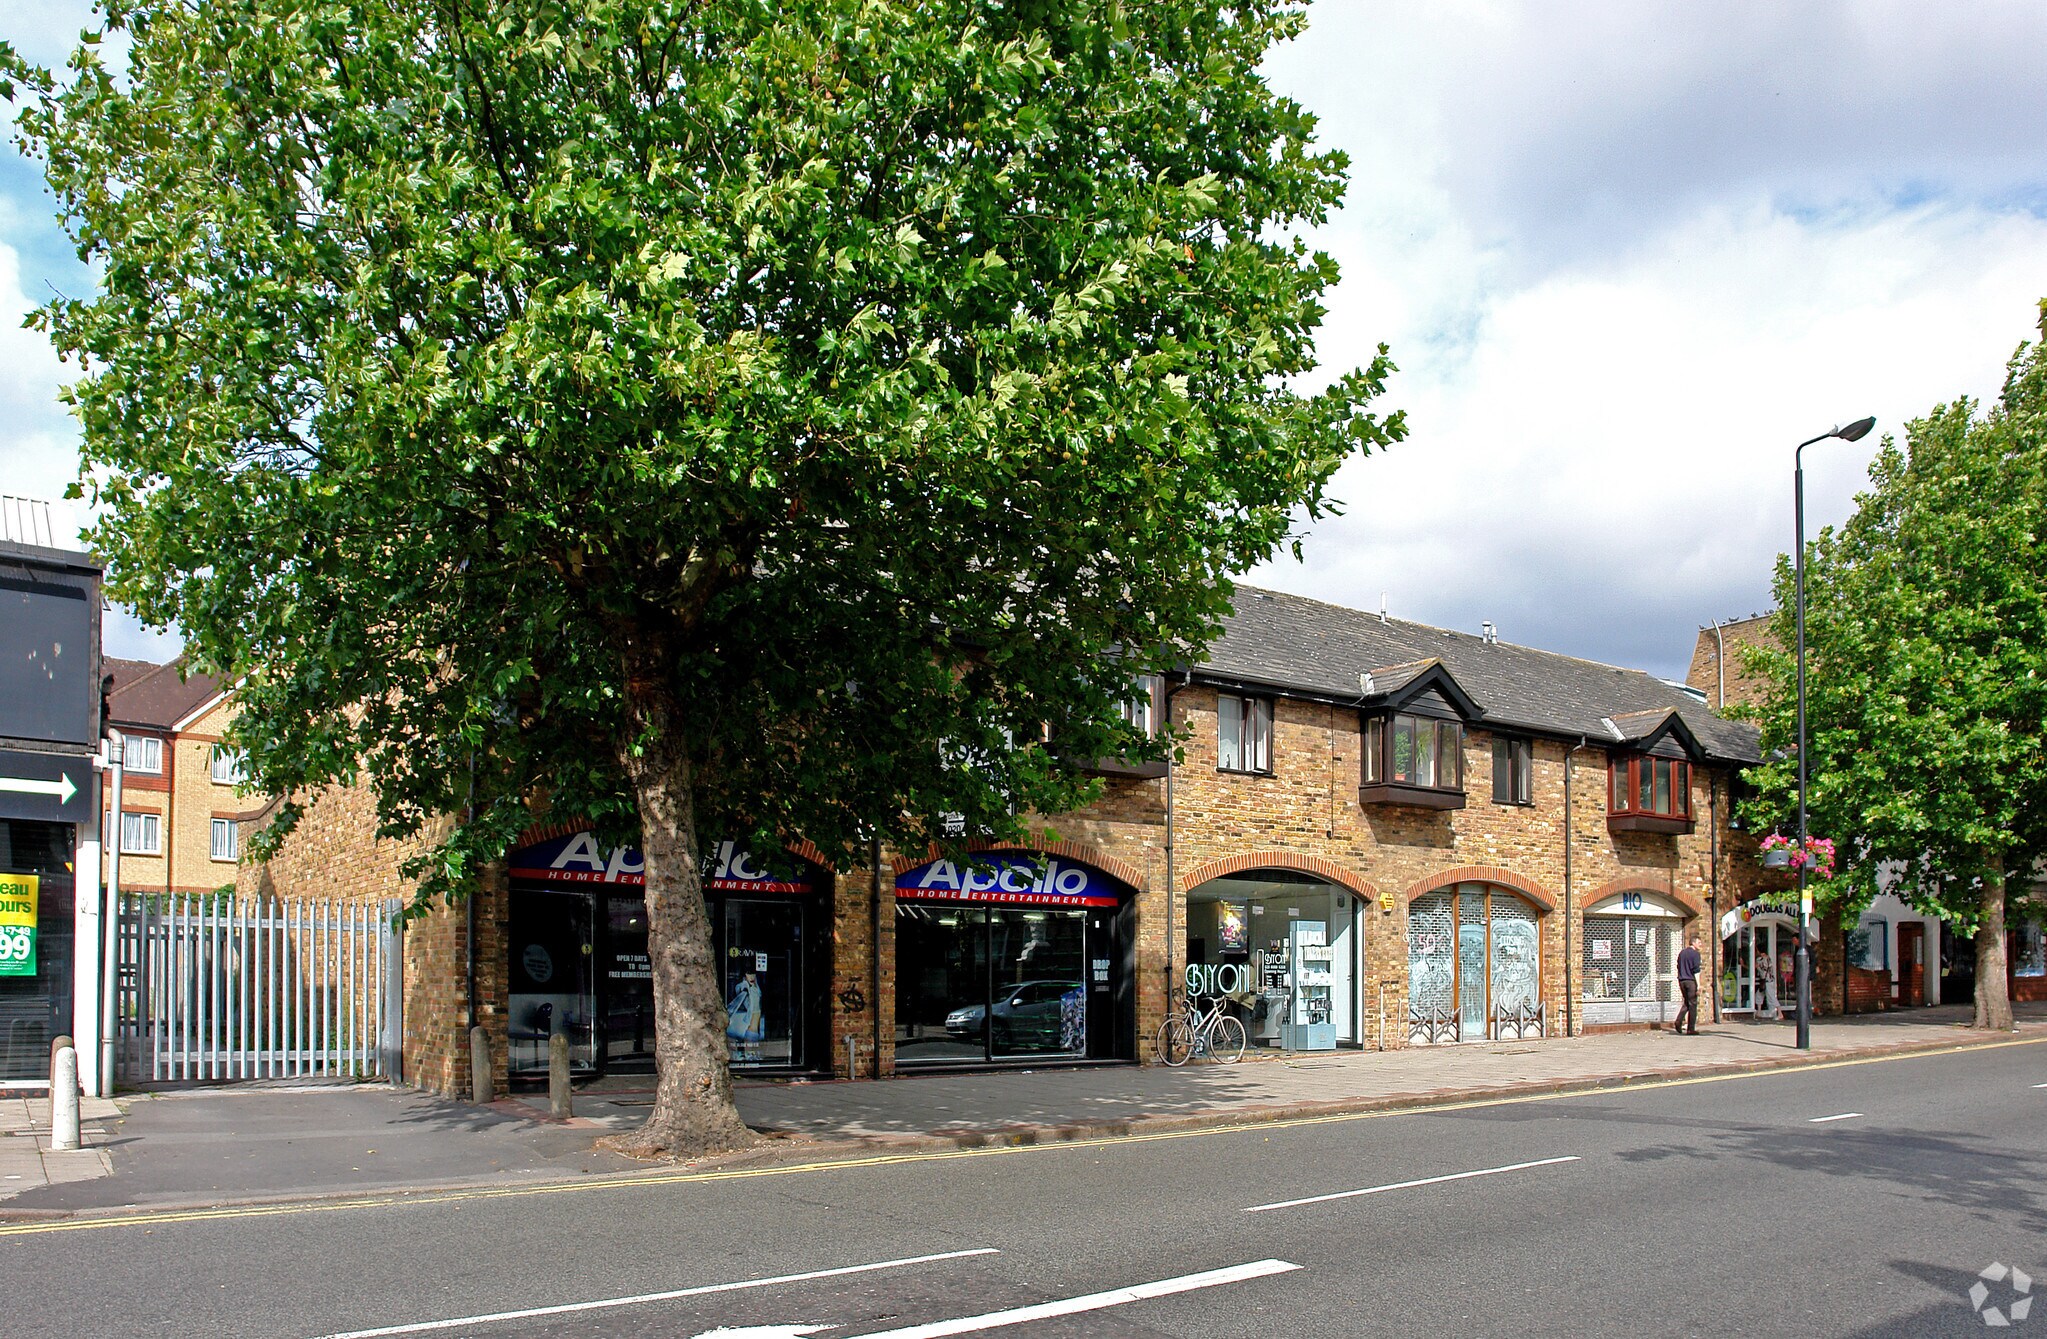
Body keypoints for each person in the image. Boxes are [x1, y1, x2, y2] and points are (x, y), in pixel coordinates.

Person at [1673, 934, 1703, 1035]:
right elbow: (1696, 970)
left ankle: (1679, 1020)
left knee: (1687, 1002)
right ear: (1693, 943)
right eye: (1699, 943)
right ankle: (1691, 1028)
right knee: (1693, 1004)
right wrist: (1699, 985)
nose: (1701, 945)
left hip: (1682, 980)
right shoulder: (1695, 954)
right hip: (1691, 981)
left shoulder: (1682, 953)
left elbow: (1678, 966)